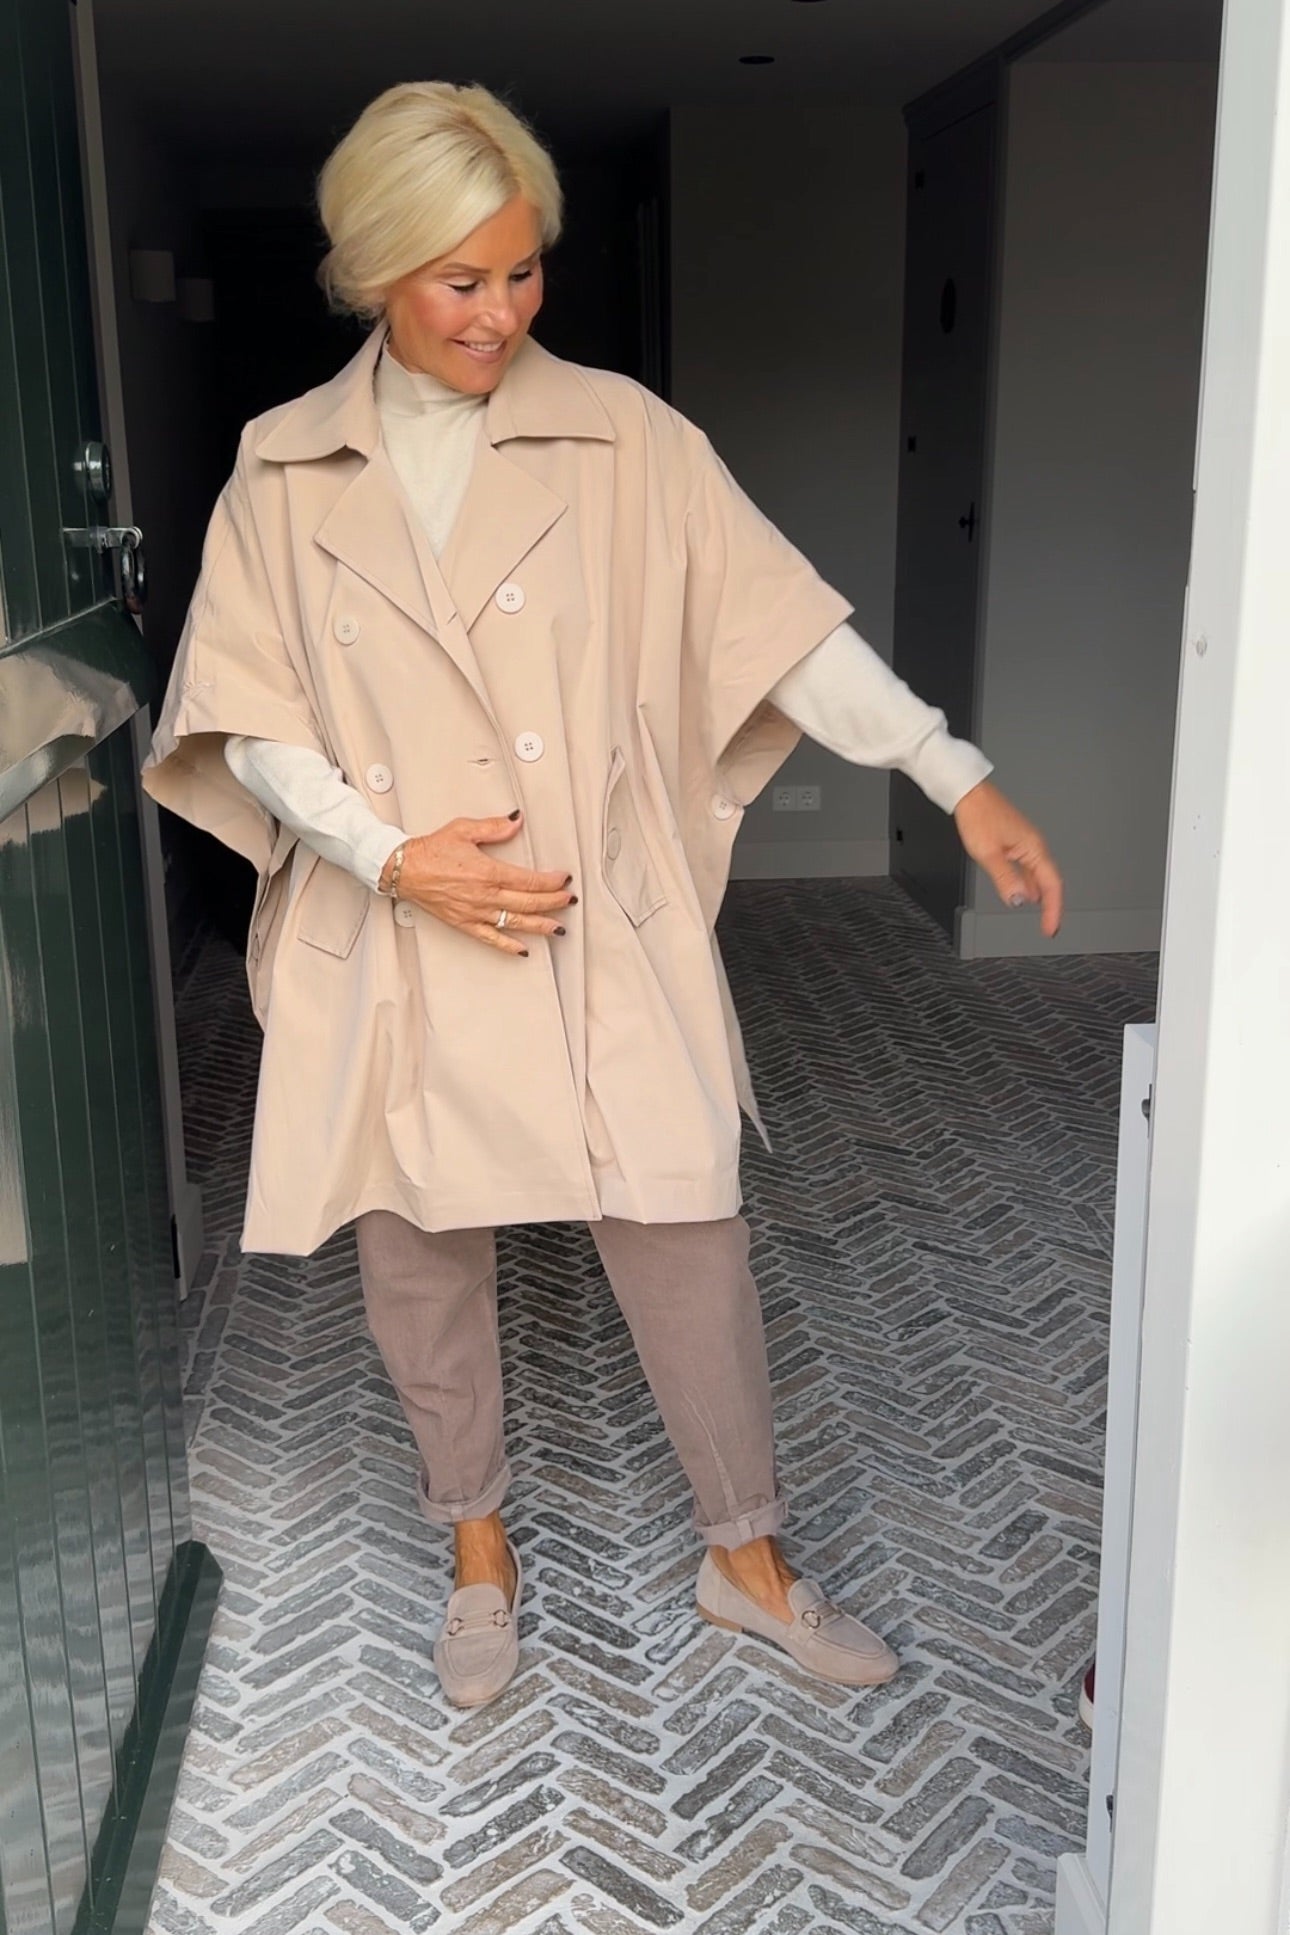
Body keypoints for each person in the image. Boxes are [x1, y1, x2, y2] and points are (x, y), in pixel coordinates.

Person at [143, 81, 1063, 1711]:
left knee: (685, 1224)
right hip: (399, 921)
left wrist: (948, 767)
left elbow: (777, 628)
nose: (499, 313)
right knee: (418, 1254)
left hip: (589, 913)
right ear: (373, 272)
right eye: (459, 280)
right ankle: (475, 1546)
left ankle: (744, 1559)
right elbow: (250, 713)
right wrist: (389, 853)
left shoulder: (626, 438)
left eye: (521, 272)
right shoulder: (280, 468)